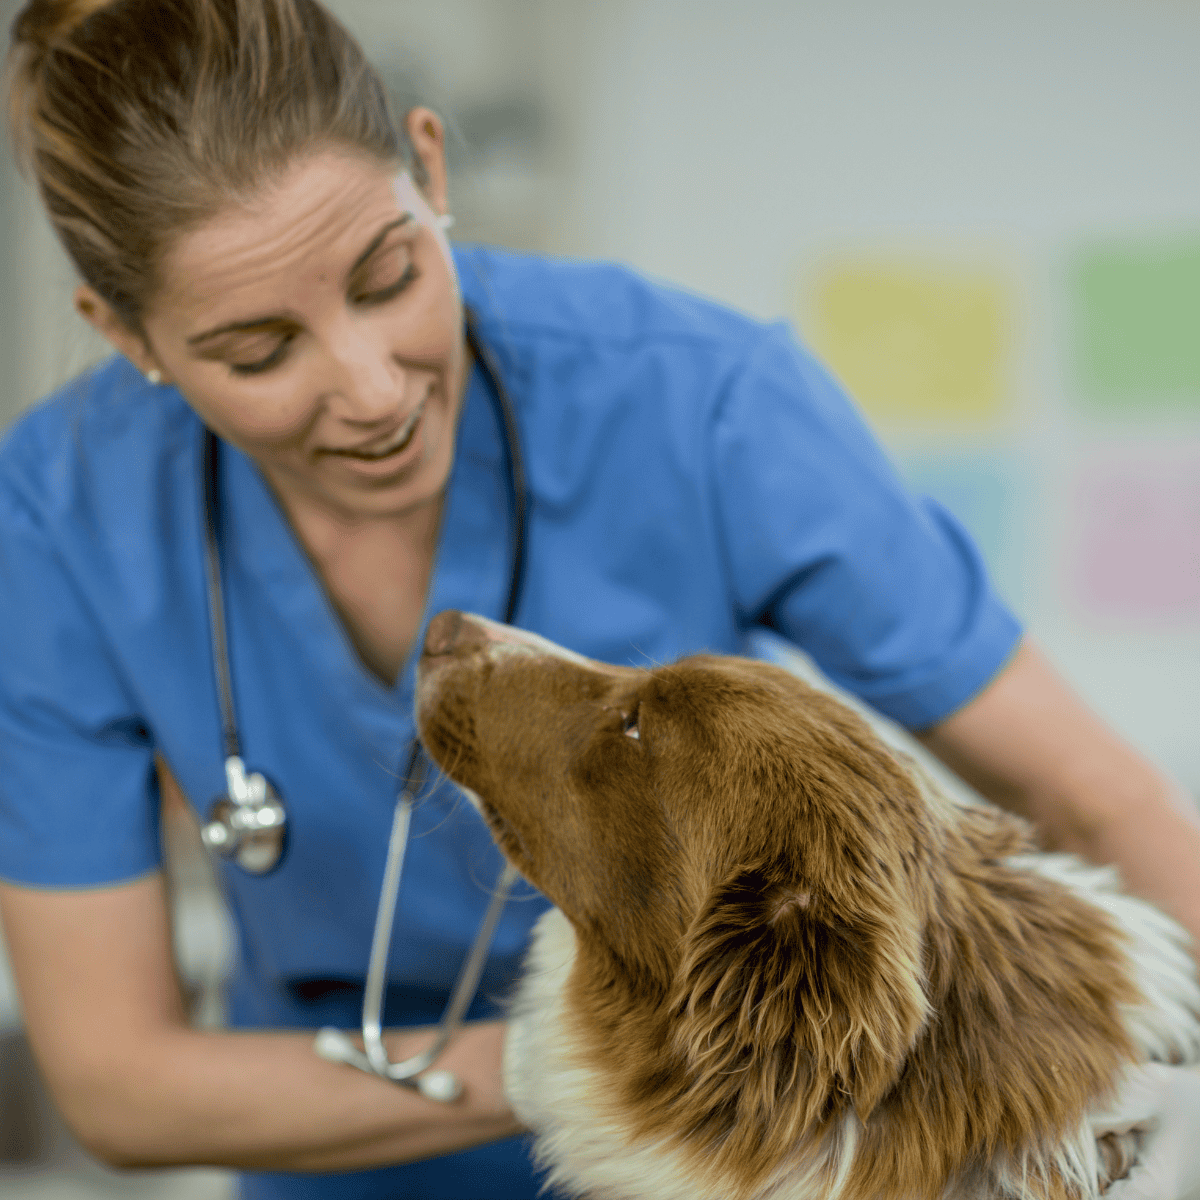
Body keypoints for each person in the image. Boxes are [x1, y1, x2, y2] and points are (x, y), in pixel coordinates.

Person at [0, 1, 1198, 1198]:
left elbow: (1085, 794)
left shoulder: (702, 402)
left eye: (389, 276)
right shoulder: (58, 517)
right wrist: (568, 1066)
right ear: (125, 333)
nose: (369, 390)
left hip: (734, 1149)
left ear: (429, 162)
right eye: (259, 354)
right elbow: (117, 1080)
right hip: (342, 1146)